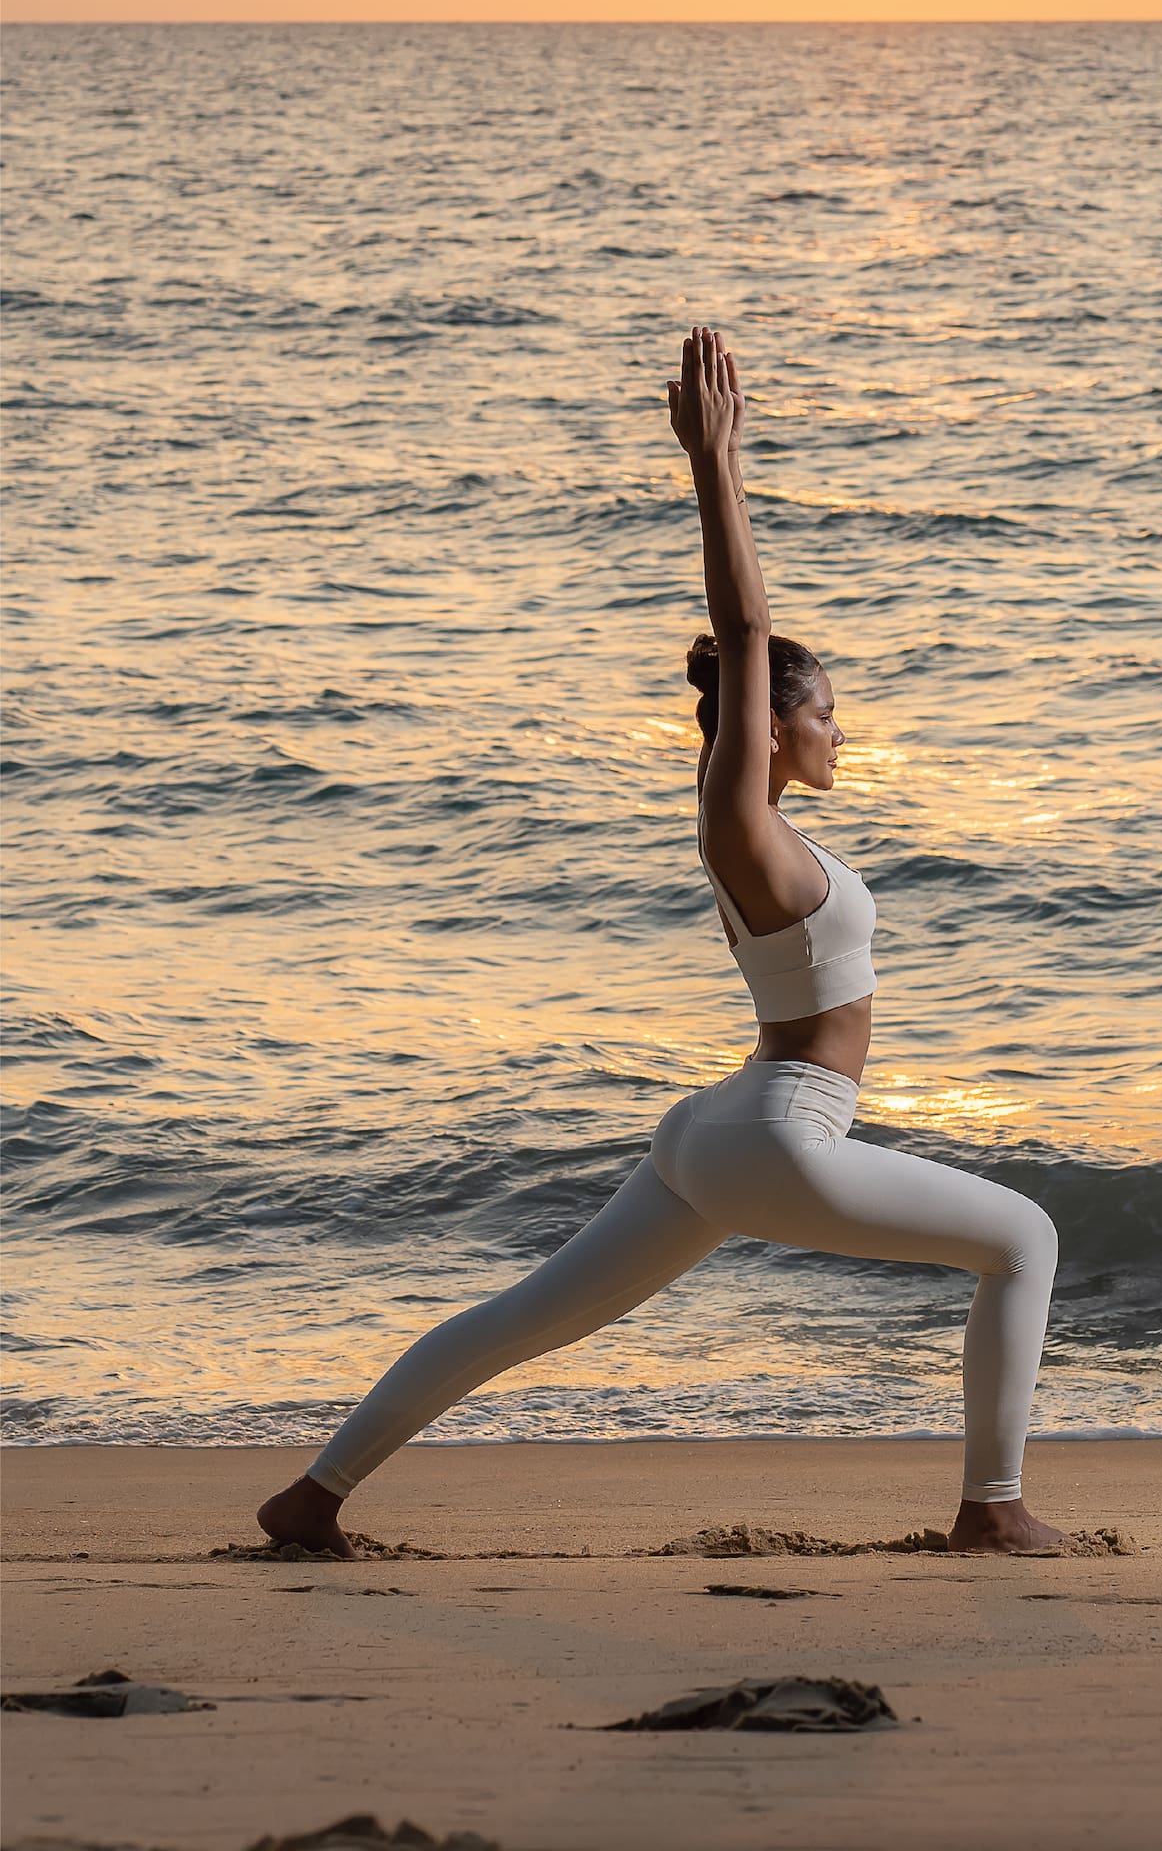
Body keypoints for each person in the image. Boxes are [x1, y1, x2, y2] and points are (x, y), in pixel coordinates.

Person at [255, 326, 1064, 1559]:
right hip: (780, 1130)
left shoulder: (765, 828)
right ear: (772, 729)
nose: (843, 734)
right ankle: (992, 1507)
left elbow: (750, 664)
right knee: (1026, 1236)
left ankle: (310, 1499)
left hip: (720, 1130)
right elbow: (744, 635)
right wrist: (715, 465)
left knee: (521, 1318)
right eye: (827, 716)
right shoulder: (742, 822)